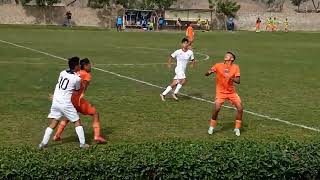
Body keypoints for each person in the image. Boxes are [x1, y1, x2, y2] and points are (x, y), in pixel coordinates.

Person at [39, 57, 89, 149]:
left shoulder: (62, 72)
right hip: (65, 103)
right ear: (76, 66)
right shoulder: (76, 79)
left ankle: (43, 143)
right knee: (77, 121)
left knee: (53, 123)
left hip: (56, 101)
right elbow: (76, 91)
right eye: (78, 64)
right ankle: (82, 144)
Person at [53, 58, 106, 144]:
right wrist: (82, 93)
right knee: (95, 113)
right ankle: (97, 135)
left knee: (67, 117)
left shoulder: (76, 72)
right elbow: (83, 87)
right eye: (89, 65)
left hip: (69, 99)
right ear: (85, 66)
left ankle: (56, 136)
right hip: (78, 100)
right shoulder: (87, 75)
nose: (90, 67)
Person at [205, 52, 243, 137]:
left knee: (240, 109)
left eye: (228, 55)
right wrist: (209, 72)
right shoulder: (218, 65)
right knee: (217, 108)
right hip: (221, 92)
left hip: (231, 92)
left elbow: (238, 81)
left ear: (232, 59)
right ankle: (211, 126)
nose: (225, 55)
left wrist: (231, 77)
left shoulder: (235, 67)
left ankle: (237, 128)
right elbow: (207, 73)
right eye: (225, 55)